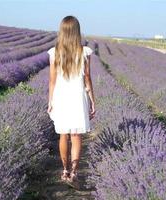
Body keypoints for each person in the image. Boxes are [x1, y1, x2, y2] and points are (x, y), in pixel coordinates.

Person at [47, 15, 95, 184]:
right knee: (76, 136)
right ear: (77, 32)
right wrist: (92, 100)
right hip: (77, 96)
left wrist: (50, 101)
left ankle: (65, 170)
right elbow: (87, 79)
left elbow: (52, 81)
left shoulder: (55, 52)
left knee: (63, 135)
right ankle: (74, 172)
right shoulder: (84, 52)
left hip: (61, 97)